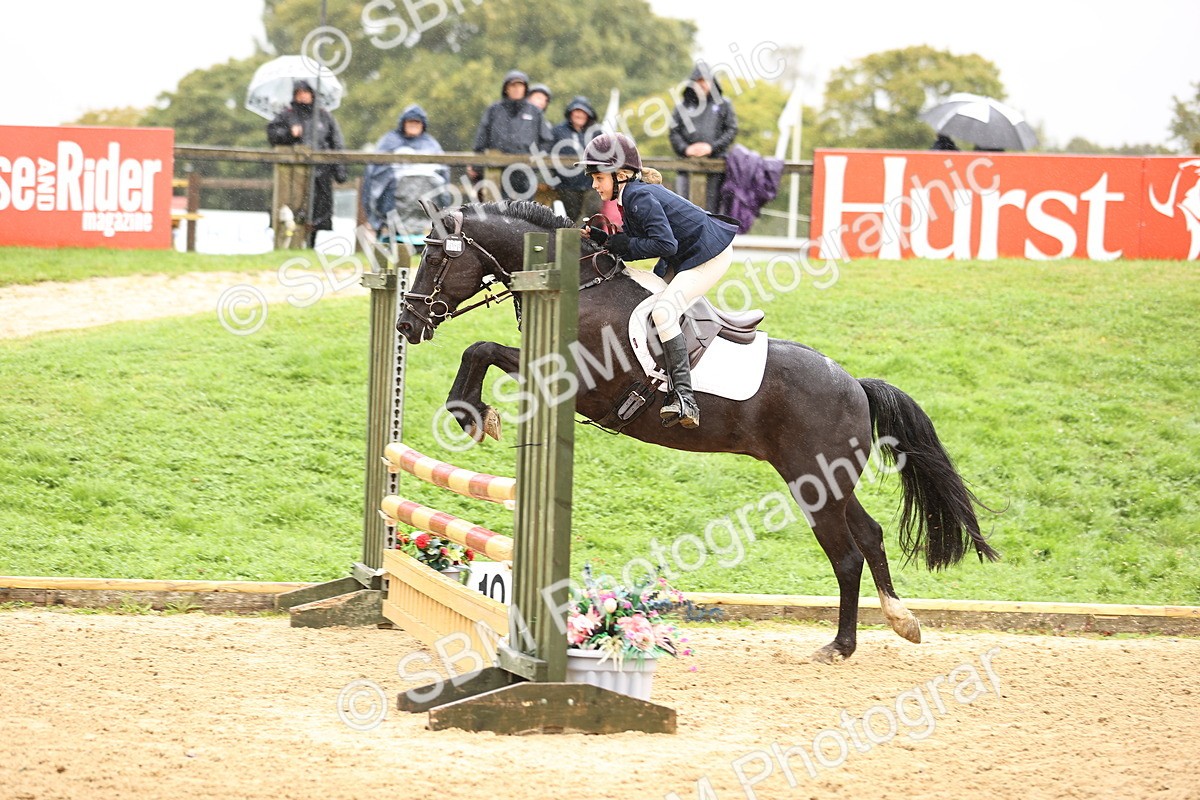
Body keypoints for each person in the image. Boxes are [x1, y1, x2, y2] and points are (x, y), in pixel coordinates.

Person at [578, 133, 737, 430]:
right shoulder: (629, 196)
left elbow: (664, 245)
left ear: (621, 174)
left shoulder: (638, 196)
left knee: (664, 312)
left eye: (598, 177)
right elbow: (640, 241)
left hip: (708, 255)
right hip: (684, 254)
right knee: (645, 295)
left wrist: (615, 246)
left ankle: (685, 397)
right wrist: (605, 240)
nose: (594, 185)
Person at [266, 79, 347, 248]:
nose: (303, 96)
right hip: (292, 174)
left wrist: (340, 170)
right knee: (293, 208)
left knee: (317, 211)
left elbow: (336, 143)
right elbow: (273, 135)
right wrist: (289, 133)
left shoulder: (324, 116)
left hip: (321, 172)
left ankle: (311, 244)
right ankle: (288, 244)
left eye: (306, 92)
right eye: (299, 93)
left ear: (312, 94)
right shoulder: (286, 115)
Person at [361, 104, 449, 236]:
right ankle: (391, 229)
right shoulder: (389, 140)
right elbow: (377, 170)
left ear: (423, 125)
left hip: (426, 193)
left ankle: (427, 230)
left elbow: (442, 169)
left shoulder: (431, 143)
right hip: (395, 193)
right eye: (410, 122)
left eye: (417, 122)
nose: (413, 125)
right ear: (403, 123)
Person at [469, 70, 554, 200]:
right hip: (497, 169)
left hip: (526, 170)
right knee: (497, 211)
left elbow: (547, 141)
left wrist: (535, 162)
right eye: (513, 85)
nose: (516, 89)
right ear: (506, 88)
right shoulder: (494, 110)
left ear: (525, 88)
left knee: (525, 212)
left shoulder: (535, 112)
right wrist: (477, 165)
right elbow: (481, 140)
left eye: (520, 85)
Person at [668, 61, 738, 213]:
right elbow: (674, 132)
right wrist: (686, 149)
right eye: (699, 81)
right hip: (686, 166)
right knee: (684, 210)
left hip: (716, 167)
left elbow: (731, 130)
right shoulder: (682, 107)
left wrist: (711, 148)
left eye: (705, 80)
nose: (702, 85)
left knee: (712, 212)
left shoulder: (724, 105)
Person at [550, 95, 602, 223]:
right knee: (572, 214)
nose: (579, 115)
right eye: (576, 111)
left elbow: (604, 154)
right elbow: (547, 155)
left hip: (591, 183)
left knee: (592, 213)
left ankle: (583, 239)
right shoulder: (558, 131)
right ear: (570, 113)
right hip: (567, 184)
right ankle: (573, 239)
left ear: (589, 115)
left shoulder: (596, 133)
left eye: (583, 112)